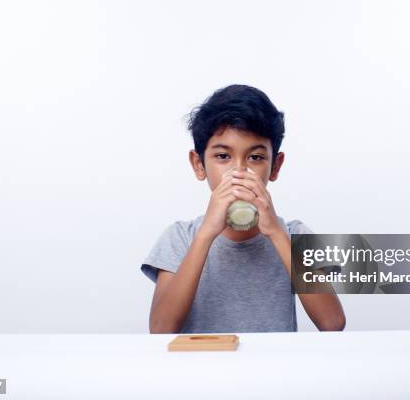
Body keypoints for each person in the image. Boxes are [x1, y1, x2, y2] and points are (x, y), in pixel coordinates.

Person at [141, 84, 346, 333]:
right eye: (223, 157)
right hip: (201, 371)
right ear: (199, 164)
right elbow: (160, 330)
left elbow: (333, 323)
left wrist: (276, 234)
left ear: (275, 167)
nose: (239, 172)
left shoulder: (294, 234)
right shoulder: (180, 237)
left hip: (274, 371)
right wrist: (206, 233)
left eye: (256, 158)